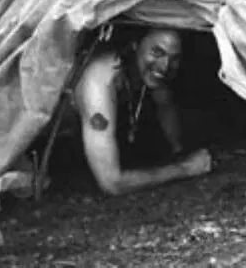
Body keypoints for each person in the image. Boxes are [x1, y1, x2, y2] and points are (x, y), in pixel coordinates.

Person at [73, 26, 212, 195]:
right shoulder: (99, 82)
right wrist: (185, 168)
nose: (165, 66)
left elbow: (164, 103)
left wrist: (177, 149)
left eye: (174, 58)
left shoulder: (145, 67)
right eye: (157, 53)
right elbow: (112, 183)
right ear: (134, 45)